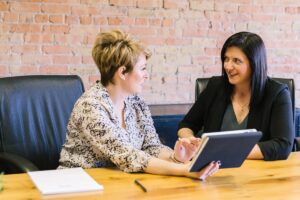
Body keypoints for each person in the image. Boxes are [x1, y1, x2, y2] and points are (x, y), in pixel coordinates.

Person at [58, 30, 220, 180]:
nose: (146, 75)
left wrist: (176, 157)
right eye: (142, 69)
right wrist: (185, 170)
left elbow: (151, 147)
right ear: (122, 72)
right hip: (77, 184)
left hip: (119, 182)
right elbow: (128, 156)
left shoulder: (137, 103)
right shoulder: (91, 106)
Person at [178, 32, 294, 161]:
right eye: (226, 59)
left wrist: (224, 151)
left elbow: (283, 145)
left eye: (236, 61)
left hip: (258, 173)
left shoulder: (277, 94)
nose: (228, 66)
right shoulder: (215, 87)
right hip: (213, 170)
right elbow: (186, 124)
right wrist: (189, 139)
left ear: (254, 63)